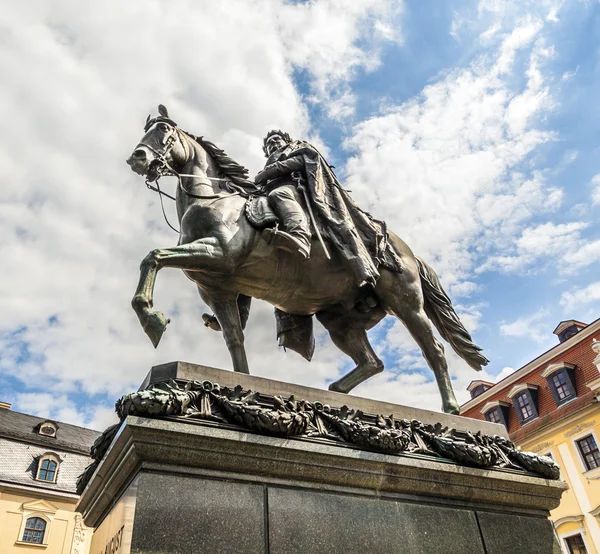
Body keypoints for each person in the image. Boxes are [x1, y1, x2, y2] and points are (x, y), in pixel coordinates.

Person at [254, 130, 402, 292]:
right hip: (271, 192)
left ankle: (300, 237)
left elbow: (303, 160)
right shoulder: (267, 163)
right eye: (269, 144)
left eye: (276, 140)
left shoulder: (298, 147)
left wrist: (270, 171)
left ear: (286, 140)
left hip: (300, 189)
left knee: (279, 194)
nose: (273, 144)